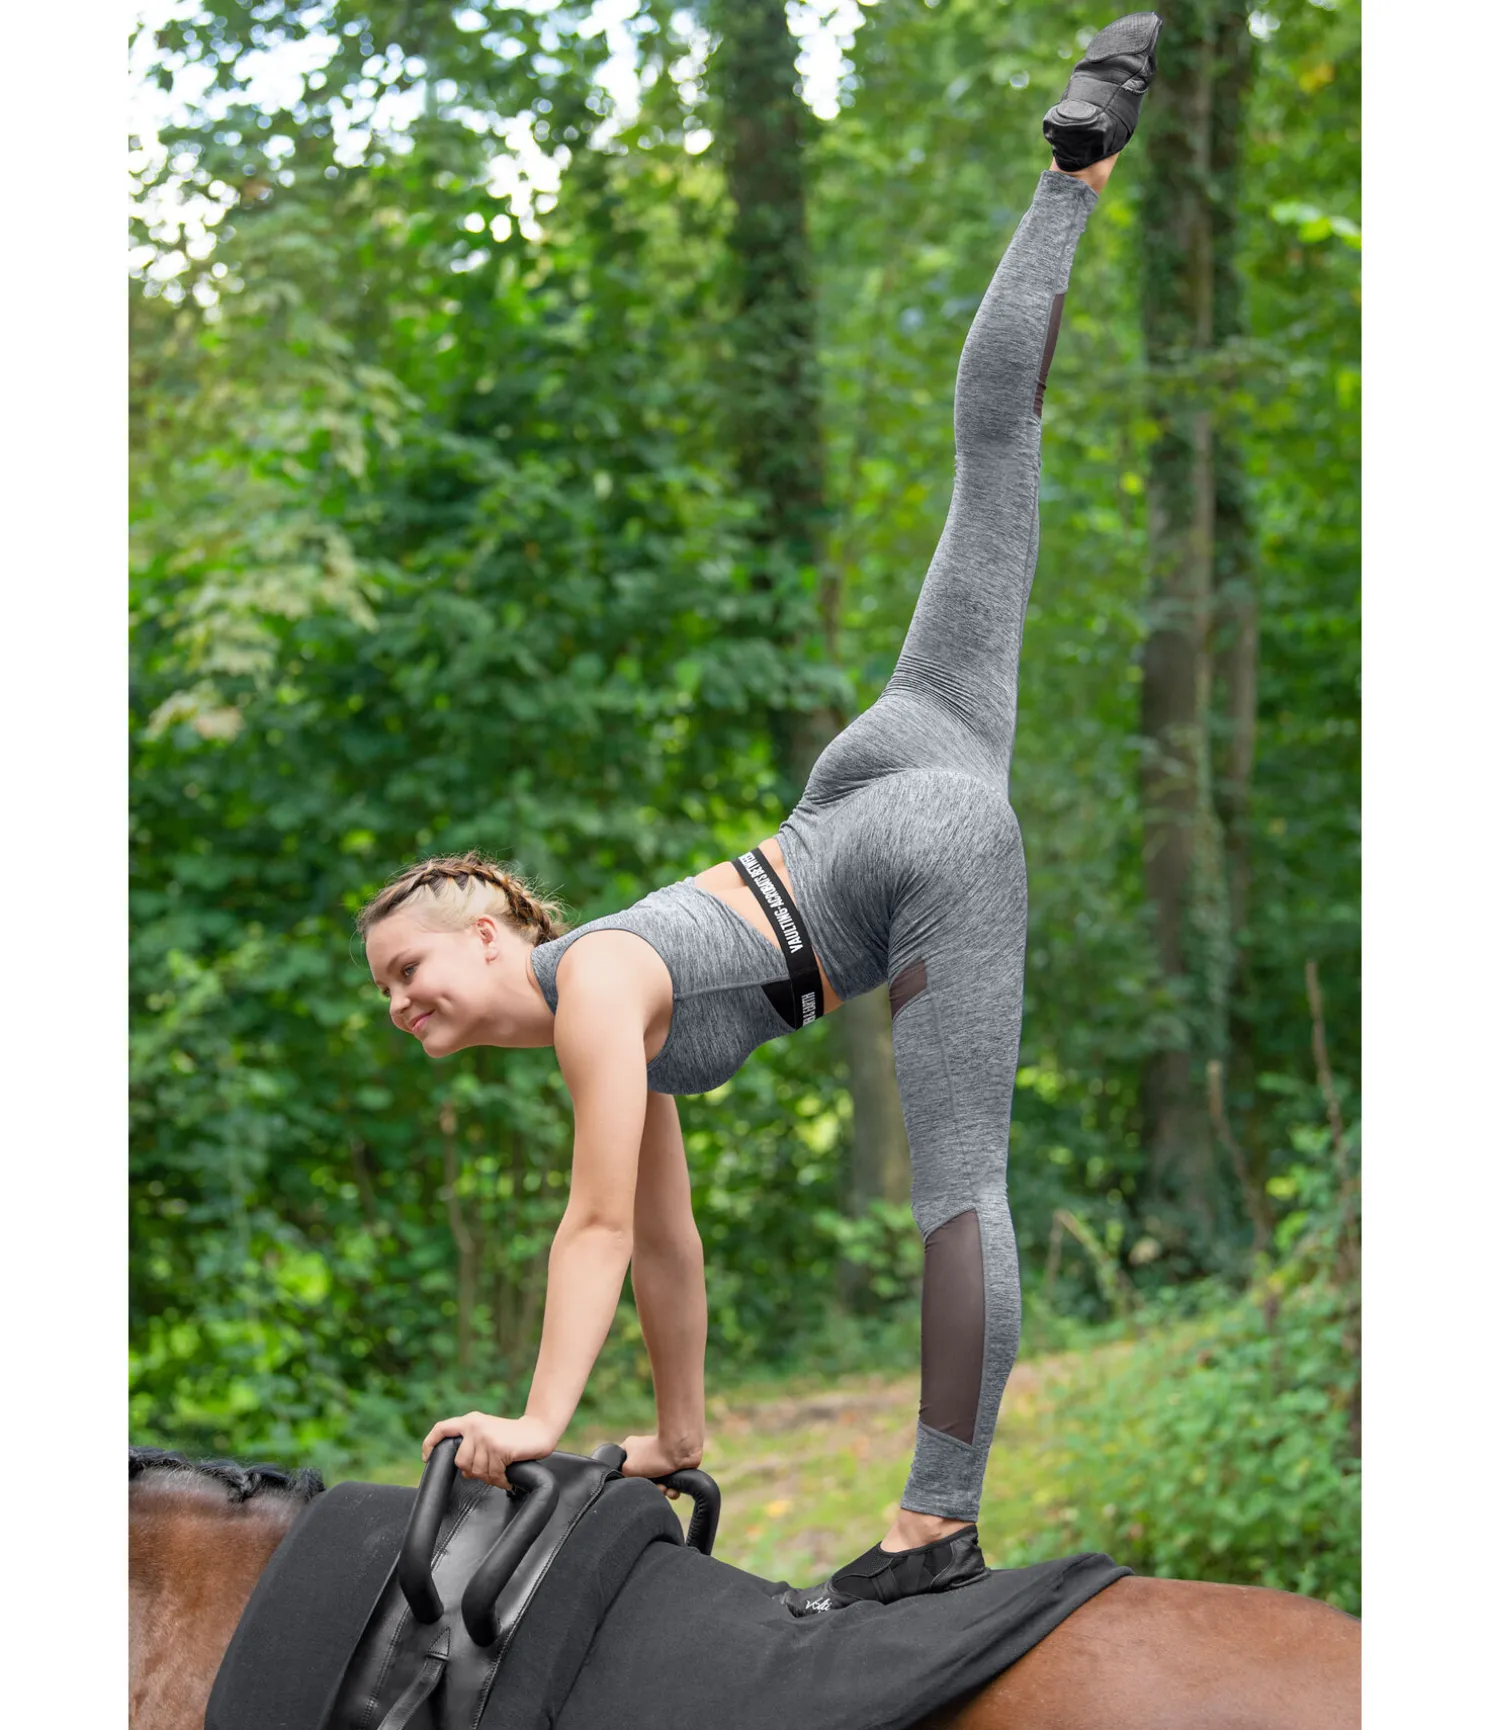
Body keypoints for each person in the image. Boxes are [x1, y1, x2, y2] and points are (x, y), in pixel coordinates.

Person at [360, 14, 1165, 1615]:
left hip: (903, 842)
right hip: (898, 757)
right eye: (385, 989)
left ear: (491, 928)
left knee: (961, 1184)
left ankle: (937, 1522)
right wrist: (673, 1433)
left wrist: (536, 1418)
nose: (398, 1002)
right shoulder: (614, 1015)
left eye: (408, 966)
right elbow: (663, 1239)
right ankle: (1076, 165)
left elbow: (593, 1224)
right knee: (990, 454)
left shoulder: (597, 978)